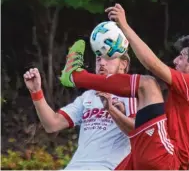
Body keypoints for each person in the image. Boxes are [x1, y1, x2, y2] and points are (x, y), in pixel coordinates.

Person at [59, 4, 189, 170]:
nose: (176, 60)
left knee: (148, 84)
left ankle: (76, 76)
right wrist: (114, 111)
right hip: (161, 160)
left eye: (182, 56)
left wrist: (124, 26)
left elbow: (152, 64)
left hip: (166, 157)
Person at [23, 41, 137, 170]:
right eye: (98, 59)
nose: (102, 63)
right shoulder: (87, 97)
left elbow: (137, 133)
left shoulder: (131, 95)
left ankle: (74, 75)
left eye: (108, 58)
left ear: (123, 64)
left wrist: (111, 110)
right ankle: (74, 75)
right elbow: (52, 124)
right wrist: (36, 92)